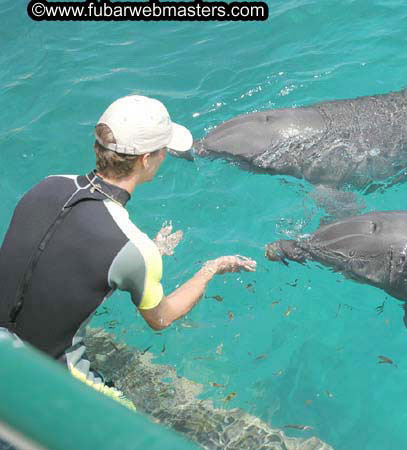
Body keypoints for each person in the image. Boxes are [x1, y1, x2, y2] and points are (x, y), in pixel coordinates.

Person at [0, 95, 256, 404]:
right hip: (48, 372)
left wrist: (148, 253)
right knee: (128, 421)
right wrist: (210, 269)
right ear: (147, 159)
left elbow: (59, 256)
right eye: (162, 151)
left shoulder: (46, 185)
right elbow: (161, 319)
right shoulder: (133, 247)